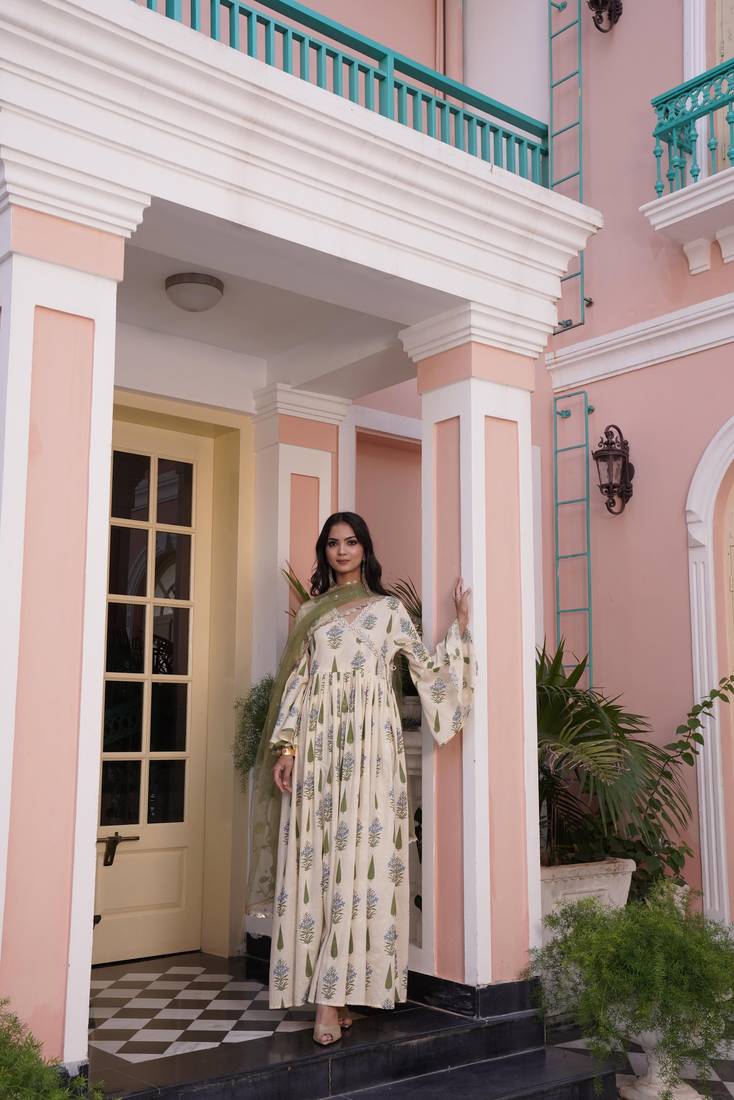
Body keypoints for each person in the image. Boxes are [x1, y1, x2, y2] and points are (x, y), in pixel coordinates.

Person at [254, 512, 475, 1046]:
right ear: (324, 551)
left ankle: (336, 999)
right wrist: (286, 747)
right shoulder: (311, 613)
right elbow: (298, 686)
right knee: (321, 864)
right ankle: (329, 998)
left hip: (373, 751)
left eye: (351, 542)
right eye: (333, 543)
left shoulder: (389, 611)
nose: (342, 550)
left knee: (363, 868)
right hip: (319, 747)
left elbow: (427, 671)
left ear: (365, 549)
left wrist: (461, 628)